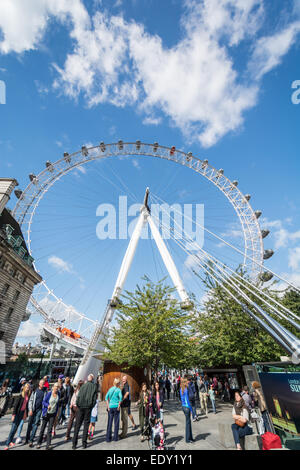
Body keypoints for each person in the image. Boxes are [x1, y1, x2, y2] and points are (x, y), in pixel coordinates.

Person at [72, 374, 98, 449]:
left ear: (87, 378)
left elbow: (78, 397)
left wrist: (78, 405)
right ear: (92, 379)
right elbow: (94, 399)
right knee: (86, 426)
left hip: (81, 407)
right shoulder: (94, 387)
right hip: (88, 408)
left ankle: (74, 444)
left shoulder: (83, 386)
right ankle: (84, 443)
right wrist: (91, 406)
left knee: (77, 425)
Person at [4, 382, 31, 450]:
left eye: (28, 387)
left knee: (15, 429)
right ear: (24, 388)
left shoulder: (28, 395)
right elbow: (15, 406)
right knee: (13, 429)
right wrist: (13, 415)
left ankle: (10, 441)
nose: (28, 388)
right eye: (27, 387)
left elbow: (26, 406)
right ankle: (7, 444)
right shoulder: (20, 396)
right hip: (17, 413)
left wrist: (25, 414)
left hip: (22, 413)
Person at [36, 382, 60, 450]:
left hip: (53, 414)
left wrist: (56, 413)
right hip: (46, 413)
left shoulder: (58, 394)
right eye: (55, 387)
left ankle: (48, 445)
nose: (56, 388)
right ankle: (39, 443)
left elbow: (57, 404)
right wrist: (47, 405)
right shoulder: (49, 393)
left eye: (57, 387)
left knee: (49, 430)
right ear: (53, 387)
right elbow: (43, 402)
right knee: (42, 429)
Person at [25, 378, 46, 447]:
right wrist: (30, 409)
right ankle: (27, 439)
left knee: (36, 424)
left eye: (44, 383)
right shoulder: (35, 391)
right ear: (39, 384)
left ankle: (31, 440)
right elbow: (30, 400)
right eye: (42, 383)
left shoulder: (45, 391)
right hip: (33, 409)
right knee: (30, 425)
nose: (43, 385)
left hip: (39, 410)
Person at [105, 378, 123, 442]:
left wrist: (108, 406)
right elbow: (120, 399)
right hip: (116, 407)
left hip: (110, 407)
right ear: (118, 383)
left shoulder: (110, 389)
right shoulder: (118, 390)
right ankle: (115, 437)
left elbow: (106, 398)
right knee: (116, 423)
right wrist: (118, 406)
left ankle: (108, 438)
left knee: (109, 423)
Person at [180, 377, 194, 444]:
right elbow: (188, 400)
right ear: (185, 383)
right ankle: (188, 439)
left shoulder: (181, 389)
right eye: (186, 382)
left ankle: (190, 437)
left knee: (188, 423)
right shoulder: (186, 390)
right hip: (187, 407)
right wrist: (191, 410)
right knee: (188, 423)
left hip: (183, 406)